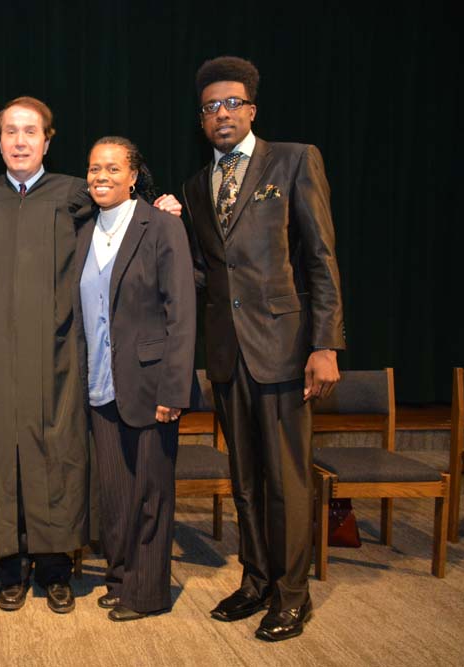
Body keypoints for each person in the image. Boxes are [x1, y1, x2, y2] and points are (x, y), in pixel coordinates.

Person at [0, 96, 182, 614]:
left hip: (58, 355)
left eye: (30, 131)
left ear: (47, 140)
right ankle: (8, 568)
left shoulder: (74, 195)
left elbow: (127, 214)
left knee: (57, 456)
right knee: (2, 457)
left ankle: (57, 568)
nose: (19, 141)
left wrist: (164, 206)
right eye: (10, 132)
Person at [180, 56, 344, 642]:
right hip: (227, 354)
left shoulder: (294, 160)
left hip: (283, 347)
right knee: (245, 477)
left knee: (287, 478)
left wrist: (325, 344)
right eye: (209, 108)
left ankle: (292, 594)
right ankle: (255, 580)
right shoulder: (197, 186)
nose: (220, 114)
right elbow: (203, 273)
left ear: (251, 109)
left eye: (231, 104)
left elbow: (321, 257)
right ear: (200, 120)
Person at [73, 137, 195, 622]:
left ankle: (147, 594)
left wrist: (174, 389)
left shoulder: (162, 226)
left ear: (132, 176)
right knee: (116, 496)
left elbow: (182, 313)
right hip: (100, 383)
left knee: (151, 494)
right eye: (93, 168)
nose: (100, 176)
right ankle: (121, 578)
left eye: (111, 168)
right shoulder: (82, 230)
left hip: (150, 384)